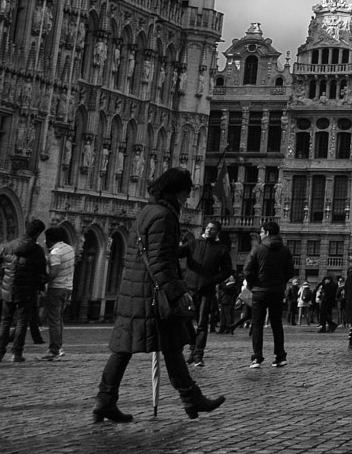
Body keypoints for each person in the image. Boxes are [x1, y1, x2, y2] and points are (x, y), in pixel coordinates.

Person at [92, 168, 223, 424]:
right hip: (152, 293)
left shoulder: (148, 211)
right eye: (187, 192)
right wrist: (177, 292)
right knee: (166, 345)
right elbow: (161, 260)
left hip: (137, 289)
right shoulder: (164, 216)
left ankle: (105, 400)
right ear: (176, 191)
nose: (187, 198)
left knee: (133, 347)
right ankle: (190, 398)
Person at [0, 218, 48, 363]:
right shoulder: (36, 250)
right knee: (22, 321)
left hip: (8, 288)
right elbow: (42, 273)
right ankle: (16, 353)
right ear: (37, 234)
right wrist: (41, 284)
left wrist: (3, 274)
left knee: (5, 321)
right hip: (27, 291)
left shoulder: (8, 246)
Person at [245, 219, 295, 369]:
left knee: (258, 324)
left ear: (266, 233)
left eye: (261, 232)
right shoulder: (285, 250)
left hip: (259, 291)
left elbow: (247, 269)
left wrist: (253, 283)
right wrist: (280, 282)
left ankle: (257, 358)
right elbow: (290, 272)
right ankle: (280, 357)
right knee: (277, 324)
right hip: (277, 291)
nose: (260, 234)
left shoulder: (257, 249)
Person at [184, 220, 234, 365]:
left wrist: (213, 280)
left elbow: (227, 270)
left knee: (201, 323)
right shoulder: (194, 243)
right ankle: (193, 346)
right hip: (190, 288)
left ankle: (198, 354)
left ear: (217, 232)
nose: (208, 230)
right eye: (207, 228)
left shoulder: (221, 249)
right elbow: (178, 253)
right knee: (185, 320)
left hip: (206, 290)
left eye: (212, 229)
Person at [42, 225, 75, 360]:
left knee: (54, 320)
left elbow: (54, 272)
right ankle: (59, 347)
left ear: (49, 239)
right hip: (68, 288)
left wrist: (44, 279)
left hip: (56, 288)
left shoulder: (55, 252)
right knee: (59, 319)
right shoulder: (69, 249)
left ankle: (54, 349)